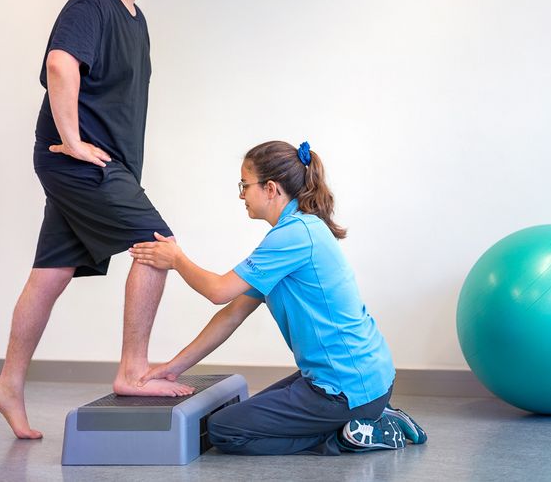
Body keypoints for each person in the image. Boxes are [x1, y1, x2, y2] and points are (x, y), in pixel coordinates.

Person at [0, 0, 193, 441]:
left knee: (52, 271)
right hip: (79, 163)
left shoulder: (134, 19)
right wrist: (73, 140)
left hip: (102, 163)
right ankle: (132, 370)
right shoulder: (90, 5)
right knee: (157, 243)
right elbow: (60, 63)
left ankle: (7, 384)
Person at [129, 140, 427, 455]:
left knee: (225, 431)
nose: (242, 194)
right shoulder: (297, 230)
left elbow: (217, 292)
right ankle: (372, 416)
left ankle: (353, 433)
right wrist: (174, 367)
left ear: (270, 188)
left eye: (245, 185)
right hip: (361, 379)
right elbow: (231, 314)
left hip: (346, 389)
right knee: (242, 418)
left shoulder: (294, 235)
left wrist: (176, 259)